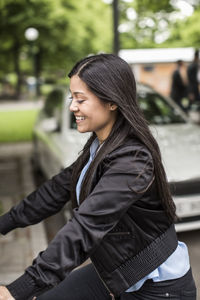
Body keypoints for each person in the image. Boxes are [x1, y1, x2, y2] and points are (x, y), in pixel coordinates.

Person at [0, 54, 196, 300]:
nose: (72, 106)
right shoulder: (100, 147)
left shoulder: (132, 160)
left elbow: (86, 227)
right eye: (73, 98)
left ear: (111, 101)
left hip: (158, 288)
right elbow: (54, 191)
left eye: (80, 99)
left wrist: (15, 291)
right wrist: (4, 223)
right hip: (119, 271)